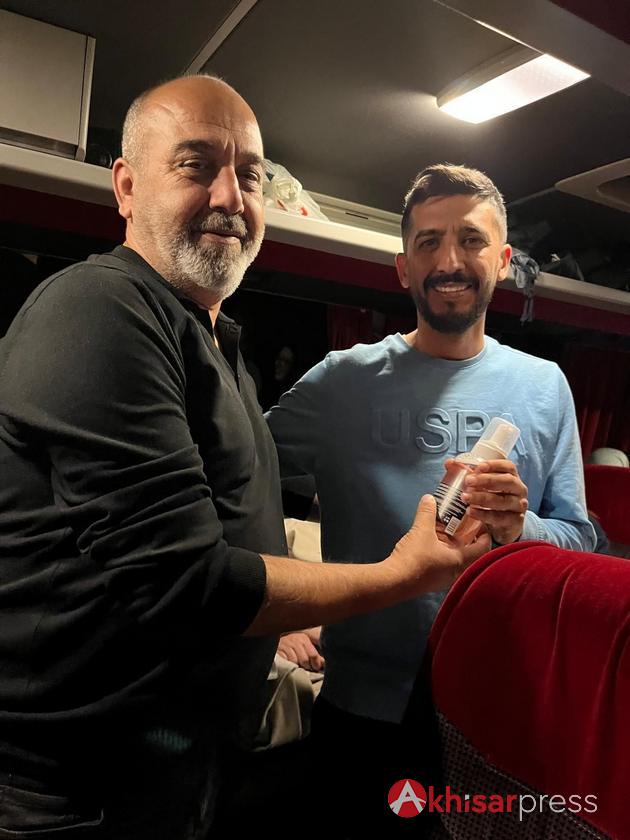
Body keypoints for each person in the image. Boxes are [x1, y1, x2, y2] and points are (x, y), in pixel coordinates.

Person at [0, 80, 486, 839]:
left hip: (176, 772)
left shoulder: (217, 345)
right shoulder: (100, 311)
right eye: (196, 165)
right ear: (126, 187)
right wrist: (406, 573)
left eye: (251, 175)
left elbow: (232, 525)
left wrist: (274, 620)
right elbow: (187, 582)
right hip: (69, 796)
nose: (231, 196)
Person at [267, 163, 596, 835]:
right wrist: (276, 613)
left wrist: (521, 527)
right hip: (360, 711)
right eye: (429, 242)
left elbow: (580, 540)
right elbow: (235, 483)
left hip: (493, 714)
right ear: (403, 268)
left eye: (471, 239)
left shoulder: (545, 386)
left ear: (502, 261)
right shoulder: (341, 381)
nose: (449, 261)